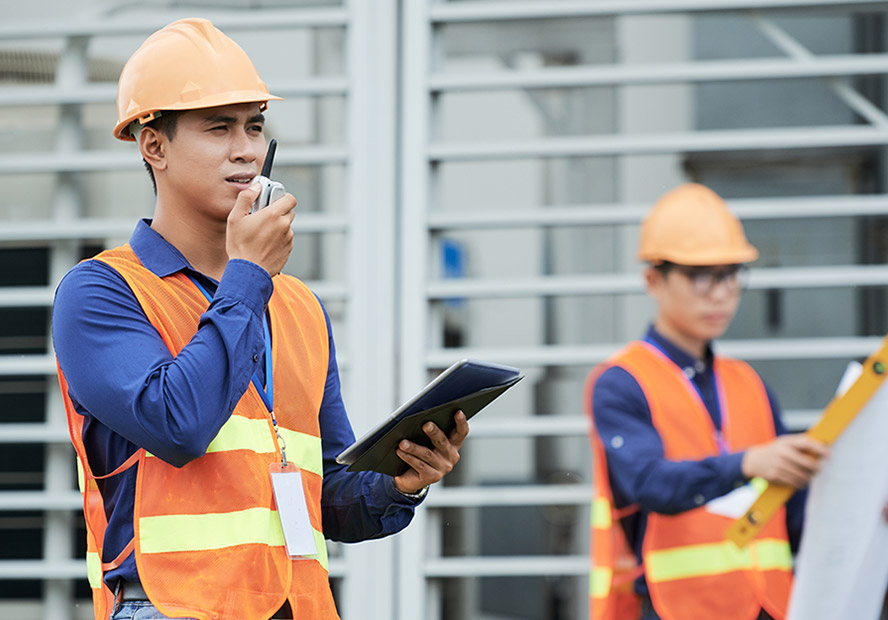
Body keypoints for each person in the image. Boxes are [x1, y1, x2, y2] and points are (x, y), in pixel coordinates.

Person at [52, 18, 468, 620]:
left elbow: (325, 497)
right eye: (218, 127)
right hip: (172, 608)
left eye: (254, 126)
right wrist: (248, 277)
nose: (246, 148)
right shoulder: (100, 293)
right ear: (154, 146)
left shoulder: (296, 306)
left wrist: (399, 481)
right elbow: (177, 424)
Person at [583, 183, 829, 620]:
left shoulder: (749, 383)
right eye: (701, 276)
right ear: (653, 279)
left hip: (770, 606)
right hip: (674, 608)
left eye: (731, 274)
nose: (720, 292)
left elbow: (794, 512)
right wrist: (747, 463)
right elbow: (649, 484)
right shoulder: (621, 383)